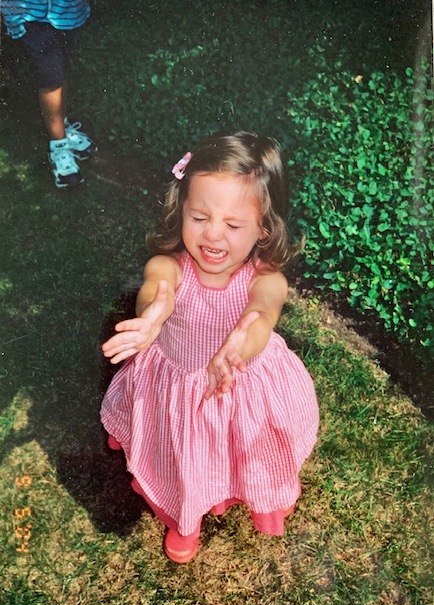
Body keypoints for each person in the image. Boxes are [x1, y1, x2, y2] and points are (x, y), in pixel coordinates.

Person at [101, 131, 319, 563]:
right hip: (178, 392)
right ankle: (185, 517)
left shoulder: (266, 279)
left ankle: (262, 490)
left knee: (253, 452)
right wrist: (152, 315)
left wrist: (241, 343)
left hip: (242, 391)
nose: (213, 235)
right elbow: (157, 290)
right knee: (182, 458)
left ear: (263, 228)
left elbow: (263, 313)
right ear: (181, 209)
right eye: (199, 217)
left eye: (233, 225)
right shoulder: (168, 265)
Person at [1, 0, 96, 188]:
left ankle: (62, 126)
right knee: (51, 79)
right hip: (30, 13)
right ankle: (59, 147)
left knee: (60, 72)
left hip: (66, 11)